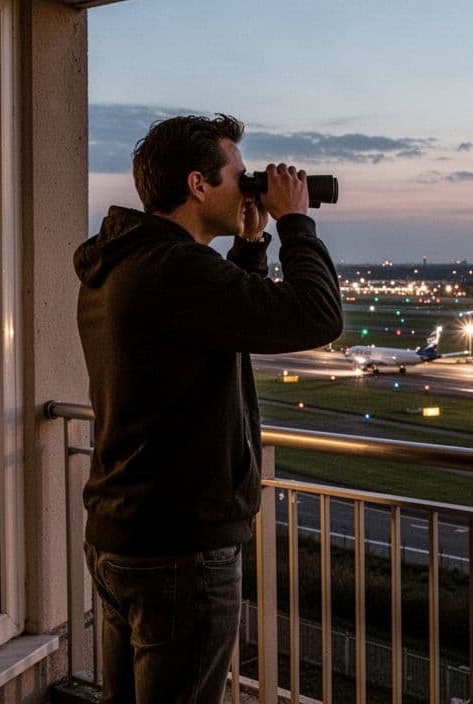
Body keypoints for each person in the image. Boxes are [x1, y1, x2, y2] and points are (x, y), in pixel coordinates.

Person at [73, 113, 343, 703]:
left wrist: (250, 246)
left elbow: (216, 325)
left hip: (124, 532)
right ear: (198, 185)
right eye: (240, 176)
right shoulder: (174, 268)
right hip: (180, 549)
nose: (251, 186)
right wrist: (296, 221)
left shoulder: (125, 263)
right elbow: (317, 315)